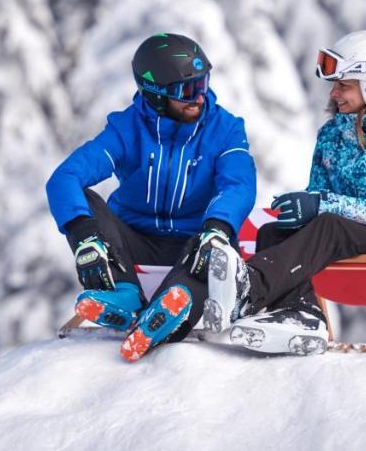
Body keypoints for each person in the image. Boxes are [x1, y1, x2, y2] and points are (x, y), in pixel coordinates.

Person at [203, 30, 366, 355]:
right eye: (335, 84)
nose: (335, 93)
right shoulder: (332, 134)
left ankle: (248, 288)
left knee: (329, 223)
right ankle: (301, 314)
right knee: (276, 230)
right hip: (350, 244)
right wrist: (305, 207)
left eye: (344, 84)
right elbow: (319, 201)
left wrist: (321, 205)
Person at [46, 32, 256, 362]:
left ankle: (176, 304)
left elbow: (238, 184)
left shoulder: (225, 128)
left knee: (214, 252)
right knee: (84, 198)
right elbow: (65, 178)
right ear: (156, 95)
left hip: (195, 241)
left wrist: (216, 227)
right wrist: (84, 235)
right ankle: (123, 294)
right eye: (188, 91)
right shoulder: (127, 128)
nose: (199, 98)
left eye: (203, 85)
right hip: (132, 240)